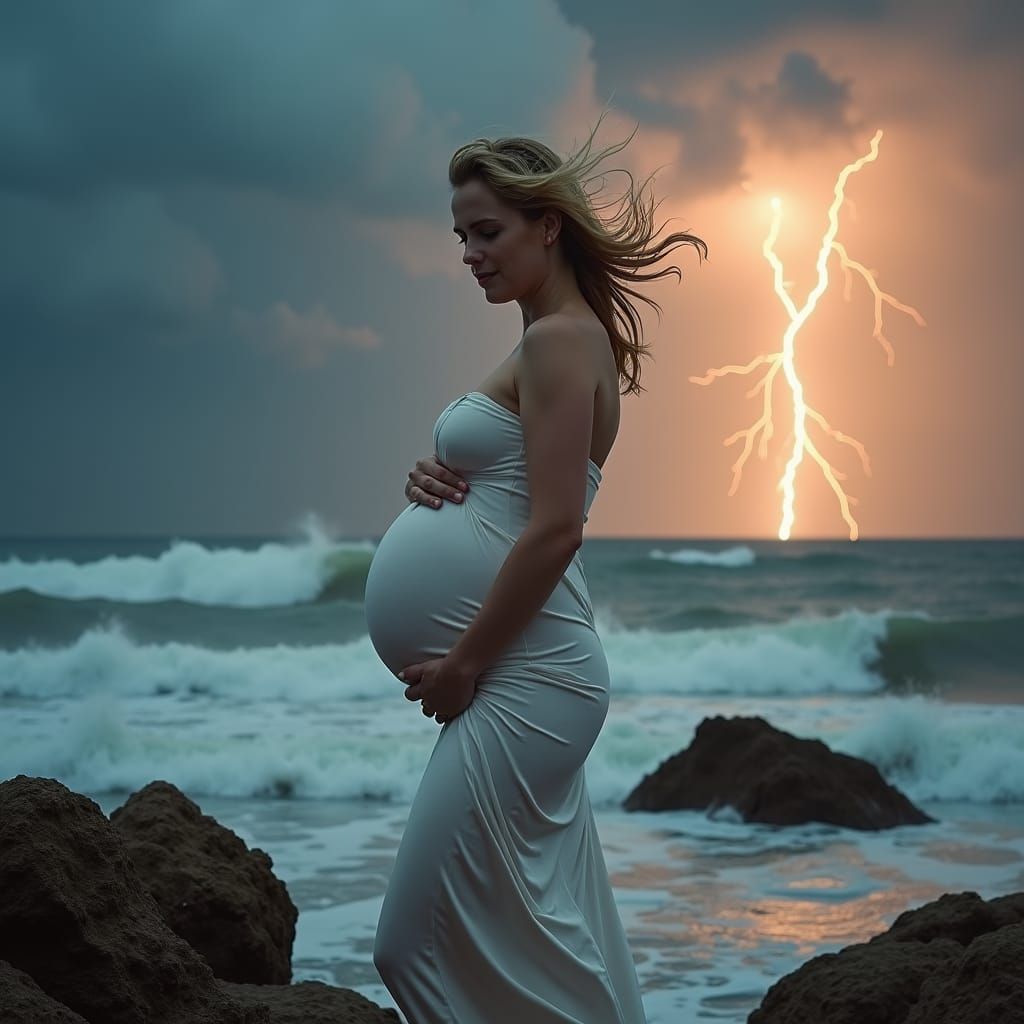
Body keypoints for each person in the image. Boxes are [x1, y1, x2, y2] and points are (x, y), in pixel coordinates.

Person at [365, 109, 707, 1024]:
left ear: (547, 224)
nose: (470, 254)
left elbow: (557, 530)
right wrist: (438, 477)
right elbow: (522, 492)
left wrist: (465, 662)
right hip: (531, 673)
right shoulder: (550, 339)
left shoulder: (560, 339)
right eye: (461, 238)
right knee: (537, 941)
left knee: (411, 946)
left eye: (488, 232)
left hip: (528, 676)